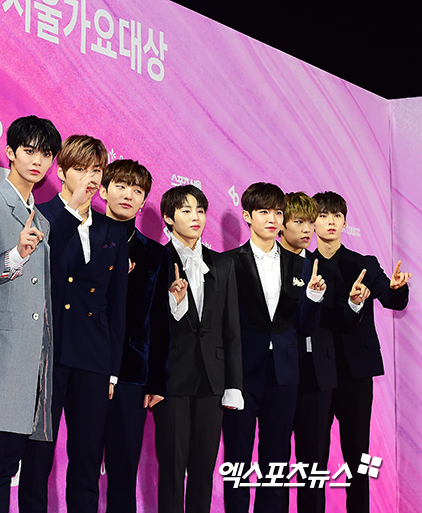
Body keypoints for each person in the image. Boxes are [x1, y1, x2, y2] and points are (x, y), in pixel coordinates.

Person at [19, 135, 128, 513]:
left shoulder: (113, 232)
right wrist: (71, 210)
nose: (90, 177)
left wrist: (113, 370)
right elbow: (36, 270)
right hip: (47, 353)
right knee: (37, 457)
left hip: (93, 358)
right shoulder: (41, 216)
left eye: (96, 170)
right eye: (80, 168)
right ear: (61, 171)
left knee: (85, 460)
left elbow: (118, 307)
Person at [0, 115, 62, 513]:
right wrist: (15, 256)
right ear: (10, 153)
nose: (37, 161)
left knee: (7, 466)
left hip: (29, 359)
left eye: (46, 154)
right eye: (29, 151)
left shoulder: (43, 221)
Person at [223, 182, 325, 513]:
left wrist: (313, 298)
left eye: (278, 213)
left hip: (285, 374)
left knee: (276, 461)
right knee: (237, 460)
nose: (272, 219)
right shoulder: (228, 263)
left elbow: (305, 327)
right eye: (264, 212)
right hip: (241, 375)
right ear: (247, 215)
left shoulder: (301, 266)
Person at [147, 184, 243, 513]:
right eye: (186, 210)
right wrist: (174, 305)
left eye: (200, 211)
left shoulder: (222, 265)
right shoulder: (156, 259)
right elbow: (148, 326)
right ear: (168, 218)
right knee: (172, 470)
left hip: (212, 381)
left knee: (203, 470)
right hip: (171, 379)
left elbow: (232, 329)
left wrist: (234, 384)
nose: (196, 217)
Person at [312, 191, 410, 513]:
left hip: (355, 375)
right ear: (313, 222)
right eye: (323, 216)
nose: (330, 222)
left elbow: (393, 301)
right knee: (313, 458)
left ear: (344, 222)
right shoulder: (302, 265)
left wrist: (398, 287)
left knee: (357, 457)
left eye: (336, 216)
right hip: (315, 374)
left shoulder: (364, 264)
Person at [279, 192, 368, 513]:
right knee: (275, 461)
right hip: (274, 373)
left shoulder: (321, 268)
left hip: (317, 374)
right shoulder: (257, 262)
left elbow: (339, 321)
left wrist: (355, 303)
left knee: (313, 463)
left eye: (308, 221)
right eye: (300, 222)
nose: (307, 228)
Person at [97, 159, 170, 512]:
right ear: (104, 188)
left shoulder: (155, 254)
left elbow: (158, 322)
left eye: (137, 191)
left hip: (130, 375)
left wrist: (156, 379)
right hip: (85, 367)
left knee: (123, 470)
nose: (128, 195)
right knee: (81, 467)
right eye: (122, 186)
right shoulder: (83, 236)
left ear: (144, 203)